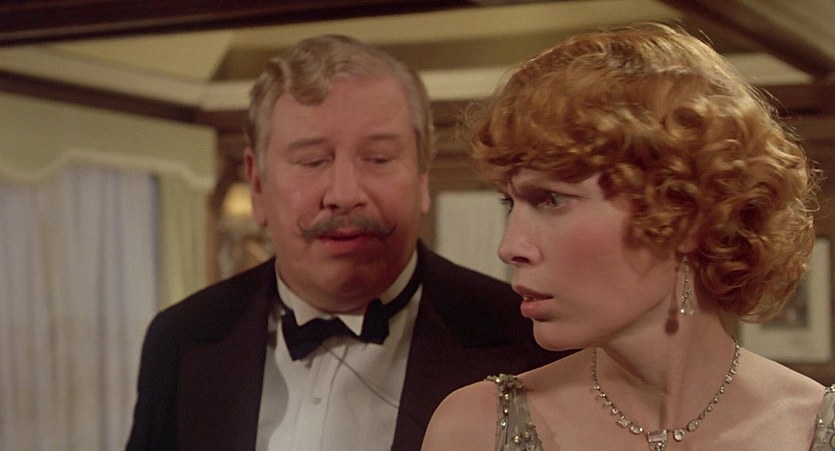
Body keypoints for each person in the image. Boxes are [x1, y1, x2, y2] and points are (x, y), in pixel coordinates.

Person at [126, 34, 567, 451]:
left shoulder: (528, 341)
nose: (344, 193)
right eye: (312, 160)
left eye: (378, 158)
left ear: (422, 176)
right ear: (257, 184)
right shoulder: (182, 339)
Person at [421, 23, 834, 451]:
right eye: (510, 202)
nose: (509, 248)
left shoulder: (811, 428)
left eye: (551, 200)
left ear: (688, 217)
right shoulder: (478, 428)